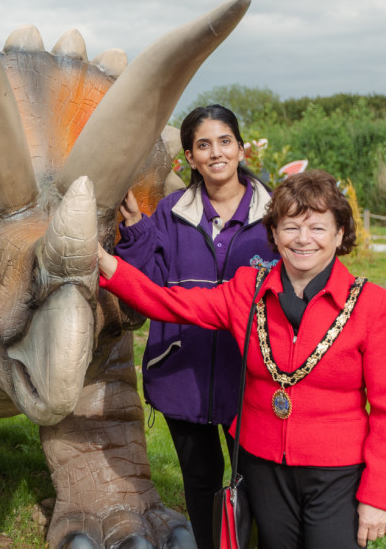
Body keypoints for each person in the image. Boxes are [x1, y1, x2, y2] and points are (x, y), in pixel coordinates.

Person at [99, 169, 386, 548]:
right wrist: (106, 264)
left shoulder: (371, 305)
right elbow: (168, 302)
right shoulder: (246, 289)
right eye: (290, 227)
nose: (303, 240)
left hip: (337, 473)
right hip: (260, 464)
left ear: (339, 234)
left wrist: (376, 497)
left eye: (317, 228)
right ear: (274, 234)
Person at [112, 104, 278, 548]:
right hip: (181, 372)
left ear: (241, 148)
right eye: (203, 145)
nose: (216, 153)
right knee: (201, 482)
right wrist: (135, 229)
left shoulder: (277, 215)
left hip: (251, 377)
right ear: (189, 157)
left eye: (225, 141)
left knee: (255, 484)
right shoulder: (170, 212)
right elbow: (145, 286)